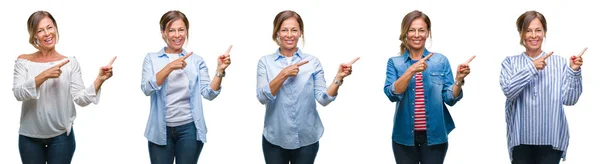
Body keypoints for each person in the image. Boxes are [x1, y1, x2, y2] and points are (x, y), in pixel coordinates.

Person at [256, 10, 359, 164]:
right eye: (284, 30)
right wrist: (283, 74)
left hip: (307, 139)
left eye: (294, 30)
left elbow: (323, 99)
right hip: (274, 138)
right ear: (277, 32)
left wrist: (338, 78)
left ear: (300, 33)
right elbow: (262, 98)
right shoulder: (265, 62)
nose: (289, 35)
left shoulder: (313, 62)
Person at [12, 10, 115, 164]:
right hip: (29, 138)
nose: (47, 33)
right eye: (40, 30)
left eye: (50, 27)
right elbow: (19, 93)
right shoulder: (23, 61)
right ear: (34, 35)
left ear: (56, 29)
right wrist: (44, 75)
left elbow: (80, 99)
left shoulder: (69, 62)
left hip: (61, 138)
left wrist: (99, 80)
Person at [140, 10, 232, 164]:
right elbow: (146, 88)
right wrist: (169, 67)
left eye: (181, 30)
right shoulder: (152, 59)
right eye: (172, 30)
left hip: (189, 129)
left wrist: (220, 71)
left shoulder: (196, 61)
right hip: (159, 130)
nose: (177, 35)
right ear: (163, 33)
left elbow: (209, 93)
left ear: (186, 31)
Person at [383, 10, 473, 164]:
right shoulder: (394, 63)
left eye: (421, 30)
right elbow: (392, 94)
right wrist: (411, 70)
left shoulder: (440, 61)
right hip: (403, 137)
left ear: (428, 33)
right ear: (405, 33)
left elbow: (450, 98)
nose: (416, 34)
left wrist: (458, 80)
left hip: (435, 136)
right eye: (411, 30)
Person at [500, 10, 585, 164]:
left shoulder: (559, 62)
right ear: (520, 33)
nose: (534, 35)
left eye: (538, 30)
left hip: (551, 139)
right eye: (528, 30)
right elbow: (509, 91)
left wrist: (573, 70)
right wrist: (531, 68)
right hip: (521, 139)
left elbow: (569, 100)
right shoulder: (510, 63)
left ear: (544, 32)